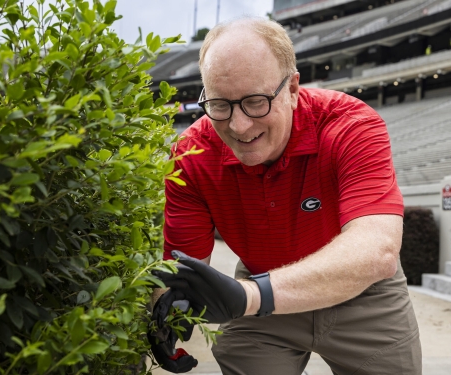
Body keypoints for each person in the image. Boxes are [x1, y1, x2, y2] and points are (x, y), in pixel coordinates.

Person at [149, 16, 422, 375]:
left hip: (362, 290)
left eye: (256, 101)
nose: (239, 126)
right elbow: (181, 263)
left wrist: (249, 295)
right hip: (260, 283)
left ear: (292, 89)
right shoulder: (191, 154)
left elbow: (378, 250)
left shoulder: (353, 125)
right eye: (219, 104)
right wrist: (163, 319)